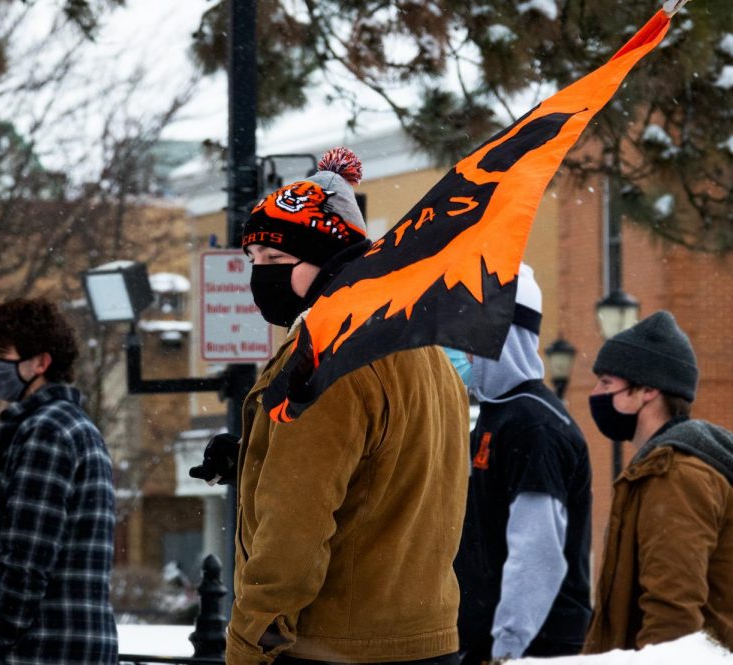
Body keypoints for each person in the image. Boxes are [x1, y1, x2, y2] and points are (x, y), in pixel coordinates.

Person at [191, 148, 470, 665]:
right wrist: (259, 453)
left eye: (276, 260)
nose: (260, 276)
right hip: (423, 635)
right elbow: (385, 467)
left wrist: (248, 645)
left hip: (335, 646)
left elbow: (293, 536)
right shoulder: (418, 342)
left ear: (330, 260)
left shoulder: (326, 359)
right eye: (253, 261)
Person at [0, 297, 117, 665]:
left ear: (41, 362)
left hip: (40, 648)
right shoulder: (73, 425)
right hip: (66, 641)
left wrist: (0, 635)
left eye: (2, 351)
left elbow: (26, 556)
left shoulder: (45, 431)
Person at [451, 264, 592, 663]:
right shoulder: (499, 413)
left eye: (465, 336)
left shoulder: (535, 426)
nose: (456, 349)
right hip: (492, 640)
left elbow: (536, 550)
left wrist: (508, 646)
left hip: (533, 648)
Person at [584, 310, 733, 653]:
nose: (595, 393)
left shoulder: (675, 475)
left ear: (648, 389)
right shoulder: (665, 468)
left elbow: (673, 615)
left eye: (607, 383)